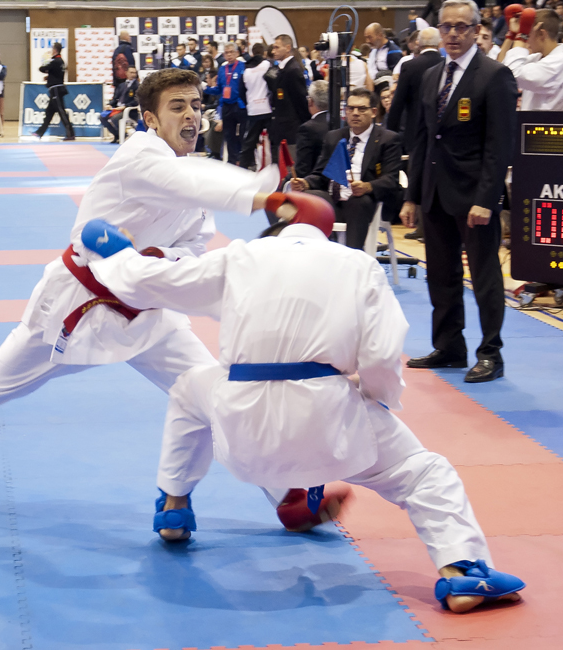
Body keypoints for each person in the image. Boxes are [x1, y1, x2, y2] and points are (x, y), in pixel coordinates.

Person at [80, 199, 526, 615]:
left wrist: (112, 248)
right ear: (327, 233)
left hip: (241, 421)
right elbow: (383, 354)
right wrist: (373, 400)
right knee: (425, 474)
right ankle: (462, 571)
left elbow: (148, 282)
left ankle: (173, 507)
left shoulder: (243, 257)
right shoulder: (358, 265)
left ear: (277, 231)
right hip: (328, 417)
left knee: (188, 390)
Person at [0, 68, 286, 498]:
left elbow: (193, 244)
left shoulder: (193, 177)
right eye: (177, 107)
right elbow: (187, 183)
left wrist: (156, 257)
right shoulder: (141, 156)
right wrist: (265, 196)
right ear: (150, 119)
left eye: (195, 105)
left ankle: (287, 493)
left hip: (149, 311)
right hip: (75, 307)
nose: (191, 115)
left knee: (213, 392)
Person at [400, 0, 518, 383]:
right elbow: (421, 140)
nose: (452, 33)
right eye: (446, 26)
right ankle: (450, 346)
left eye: (461, 27)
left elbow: (499, 145)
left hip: (473, 196)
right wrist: (412, 195)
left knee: (484, 276)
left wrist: (487, 200)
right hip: (435, 190)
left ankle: (490, 353)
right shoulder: (433, 75)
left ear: (476, 31)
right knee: (441, 274)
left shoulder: (494, 75)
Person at [291, 88, 402, 248]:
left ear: (373, 112)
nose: (355, 113)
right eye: (350, 108)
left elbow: (391, 179)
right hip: (333, 199)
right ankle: (310, 253)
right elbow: (321, 175)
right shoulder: (334, 137)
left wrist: (367, 186)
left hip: (364, 202)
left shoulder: (388, 139)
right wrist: (305, 183)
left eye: (361, 109)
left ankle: (353, 256)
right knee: (306, 197)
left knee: (359, 201)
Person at [499, 8, 563, 110]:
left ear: (542, 34)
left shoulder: (560, 61)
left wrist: (521, 36)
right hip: (530, 122)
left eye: (528, 34)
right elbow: (502, 70)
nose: (527, 40)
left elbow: (513, 75)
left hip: (546, 124)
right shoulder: (537, 58)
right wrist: (512, 35)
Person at [388, 28, 444, 154]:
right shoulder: (446, 65)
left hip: (413, 132)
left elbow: (398, 103)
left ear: (418, 43)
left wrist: (391, 133)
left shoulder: (409, 66)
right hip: (440, 133)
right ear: (440, 43)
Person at [265, 34, 310, 165]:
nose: (273, 51)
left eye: (276, 47)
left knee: (290, 166)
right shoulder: (281, 69)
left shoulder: (293, 70)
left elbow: (300, 101)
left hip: (291, 128)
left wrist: (303, 125)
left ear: (288, 47)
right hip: (281, 127)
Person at [203, 42, 247, 165]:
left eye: (231, 52)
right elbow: (219, 89)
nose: (229, 55)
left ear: (237, 53)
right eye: (226, 53)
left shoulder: (243, 66)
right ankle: (232, 161)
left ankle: (244, 161)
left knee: (243, 135)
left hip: (240, 105)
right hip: (227, 106)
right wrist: (206, 88)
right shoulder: (222, 69)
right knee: (229, 136)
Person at [237, 42, 272, 170]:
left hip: (253, 110)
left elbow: (241, 91)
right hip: (267, 108)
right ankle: (275, 170)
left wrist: (249, 103)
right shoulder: (267, 65)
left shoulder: (246, 70)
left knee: (249, 144)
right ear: (264, 53)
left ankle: (243, 170)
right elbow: (273, 84)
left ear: (252, 53)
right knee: (273, 142)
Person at [33, 42, 76, 141]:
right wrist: (49, 77)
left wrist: (47, 61)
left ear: (55, 50)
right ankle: (39, 132)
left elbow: (42, 68)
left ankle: (70, 134)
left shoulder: (55, 61)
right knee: (49, 112)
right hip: (55, 89)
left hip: (56, 89)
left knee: (61, 111)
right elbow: (57, 73)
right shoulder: (60, 61)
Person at [293, 79, 329, 179]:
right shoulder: (342, 122)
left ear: (310, 101)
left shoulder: (308, 129)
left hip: (314, 183)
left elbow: (302, 169)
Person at [100, 66, 139, 142]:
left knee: (115, 118)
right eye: (131, 72)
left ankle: (123, 136)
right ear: (126, 73)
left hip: (129, 110)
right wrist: (109, 105)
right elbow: (115, 99)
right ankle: (117, 135)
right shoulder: (121, 85)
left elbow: (136, 100)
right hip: (117, 109)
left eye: (135, 73)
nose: (133, 74)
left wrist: (125, 107)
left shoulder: (138, 86)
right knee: (102, 117)